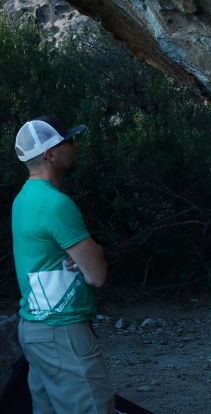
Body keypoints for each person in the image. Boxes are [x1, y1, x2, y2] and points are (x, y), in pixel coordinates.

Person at [11, 115, 114, 413]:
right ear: (50, 154)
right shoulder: (56, 204)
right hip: (63, 332)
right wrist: (95, 254)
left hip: (34, 328)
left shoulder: (24, 199)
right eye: (68, 140)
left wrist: (84, 256)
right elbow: (96, 275)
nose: (74, 145)